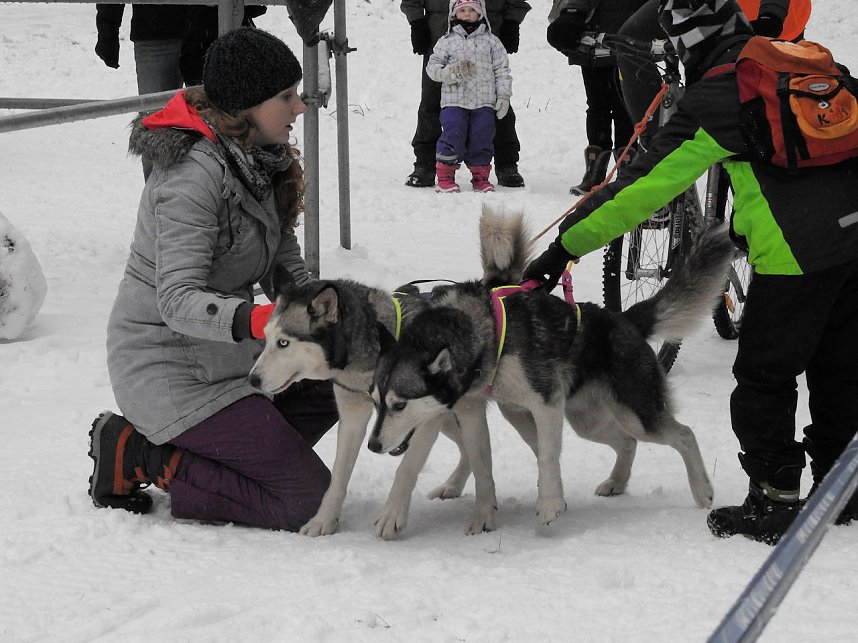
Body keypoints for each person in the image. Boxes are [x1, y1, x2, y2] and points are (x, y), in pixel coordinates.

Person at [523, 0, 858, 544]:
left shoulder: (721, 95)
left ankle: (773, 502)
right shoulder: (805, 59)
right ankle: (844, 490)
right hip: (852, 243)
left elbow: (641, 187)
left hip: (796, 254)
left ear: (685, 45)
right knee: (838, 369)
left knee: (763, 378)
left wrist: (561, 250)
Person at [88, 27, 340, 531]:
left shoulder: (257, 160)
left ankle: (237, 453)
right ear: (247, 106)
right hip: (171, 371)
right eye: (286, 97)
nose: (300, 108)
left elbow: (280, 257)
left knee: (346, 374)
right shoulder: (191, 177)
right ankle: (140, 451)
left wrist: (321, 309)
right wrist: (266, 320)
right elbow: (177, 300)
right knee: (308, 502)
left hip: (227, 359)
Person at [94, 4, 265, 179]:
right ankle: (158, 202)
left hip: (209, 28)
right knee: (154, 129)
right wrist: (108, 27)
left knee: (225, 128)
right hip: (160, 30)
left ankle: (218, 199)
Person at [615, 0, 811, 147]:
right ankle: (656, 143)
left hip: (766, 20)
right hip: (711, 10)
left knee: (758, 117)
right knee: (629, 40)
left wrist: (771, 15)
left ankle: (658, 144)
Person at [401, 0, 531, 188]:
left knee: (495, 105)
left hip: (488, 33)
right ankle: (425, 164)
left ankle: (507, 164)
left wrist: (512, 20)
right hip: (439, 33)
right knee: (432, 103)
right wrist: (416, 21)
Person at [546, 0, 648, 196]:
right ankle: (596, 169)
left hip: (627, 43)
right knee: (597, 107)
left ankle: (627, 169)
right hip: (593, 44)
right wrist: (571, 16)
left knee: (624, 108)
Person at [426, 0, 513, 193]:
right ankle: (445, 177)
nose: (466, 14)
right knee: (453, 134)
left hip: (483, 101)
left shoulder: (492, 42)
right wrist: (446, 73)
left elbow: (502, 70)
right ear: (454, 13)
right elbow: (432, 67)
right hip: (453, 100)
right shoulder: (446, 41)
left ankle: (481, 178)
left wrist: (504, 96)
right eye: (462, 10)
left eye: (471, 10)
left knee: (482, 136)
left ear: (480, 13)